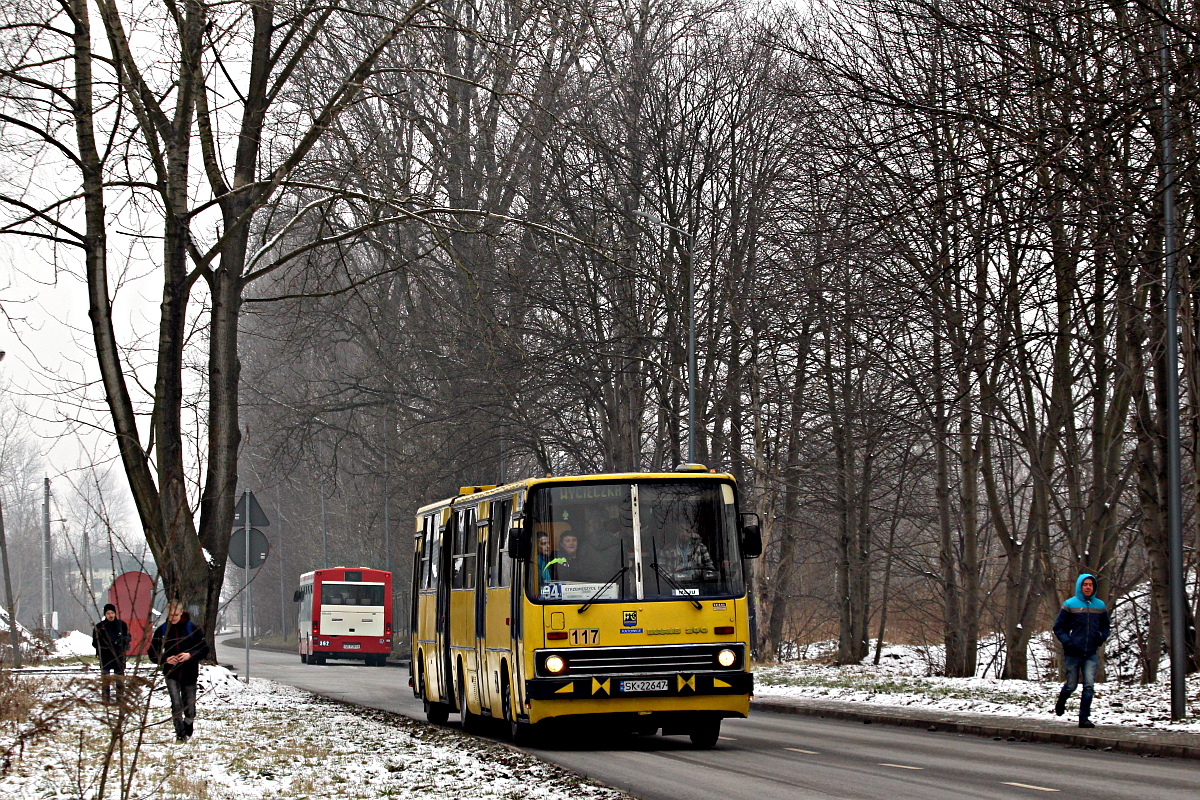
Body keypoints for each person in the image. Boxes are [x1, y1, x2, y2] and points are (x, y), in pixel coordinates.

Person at [1052, 573, 1110, 728]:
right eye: (1085, 584)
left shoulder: (1100, 606)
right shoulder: (1070, 604)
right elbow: (1058, 627)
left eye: (1091, 585)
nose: (1088, 587)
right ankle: (1061, 701)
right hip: (1073, 651)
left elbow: (1106, 627)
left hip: (1091, 652)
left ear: (1094, 587)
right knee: (1071, 685)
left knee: (1089, 686)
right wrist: (1067, 642)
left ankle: (1084, 718)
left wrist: (1101, 637)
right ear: (1080, 586)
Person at [149, 600, 209, 742]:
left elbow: (204, 649)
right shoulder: (162, 631)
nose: (173, 617)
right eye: (170, 614)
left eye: (176, 614)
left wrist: (190, 655)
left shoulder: (193, 629)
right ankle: (180, 733)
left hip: (189, 672)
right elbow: (152, 653)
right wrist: (165, 659)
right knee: (176, 703)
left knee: (189, 704)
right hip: (171, 673)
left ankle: (188, 722)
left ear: (182, 612)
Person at [91, 603, 130, 704]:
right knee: (106, 679)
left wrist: (121, 642)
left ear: (115, 613)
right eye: (108, 613)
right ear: (105, 614)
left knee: (119, 679)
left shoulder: (122, 625)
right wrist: (105, 646)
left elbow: (128, 637)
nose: (110, 615)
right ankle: (106, 699)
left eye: (112, 612)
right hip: (105, 657)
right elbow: (95, 643)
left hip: (119, 656)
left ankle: (120, 699)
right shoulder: (99, 627)